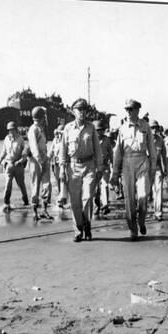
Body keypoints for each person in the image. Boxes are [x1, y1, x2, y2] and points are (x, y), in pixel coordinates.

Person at [110, 99, 157, 241]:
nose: (128, 112)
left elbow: (152, 149)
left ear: (137, 110)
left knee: (143, 196)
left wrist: (153, 169)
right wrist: (115, 172)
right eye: (127, 110)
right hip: (127, 163)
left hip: (142, 161)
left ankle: (141, 221)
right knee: (129, 199)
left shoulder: (145, 126)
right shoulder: (122, 128)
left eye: (131, 109)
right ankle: (133, 229)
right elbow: (117, 151)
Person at [59, 98, 103, 242]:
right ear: (74, 111)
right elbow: (63, 150)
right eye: (79, 109)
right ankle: (78, 230)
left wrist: (100, 167)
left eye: (84, 109)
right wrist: (61, 169)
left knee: (87, 198)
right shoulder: (67, 128)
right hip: (73, 168)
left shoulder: (91, 128)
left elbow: (97, 149)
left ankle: (87, 225)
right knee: (75, 202)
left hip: (89, 166)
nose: (82, 112)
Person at [0, 121, 29, 212]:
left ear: (16, 129)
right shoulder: (7, 139)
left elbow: (25, 154)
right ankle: (6, 203)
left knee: (21, 185)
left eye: (12, 130)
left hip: (18, 166)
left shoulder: (21, 140)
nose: (10, 132)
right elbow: (4, 151)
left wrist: (20, 161)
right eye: (9, 130)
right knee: (8, 184)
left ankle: (26, 202)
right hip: (9, 165)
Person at [27, 106, 52, 220]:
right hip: (36, 161)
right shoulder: (34, 129)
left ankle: (45, 210)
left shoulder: (40, 128)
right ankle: (35, 212)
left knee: (47, 185)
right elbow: (33, 147)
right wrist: (40, 160)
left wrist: (45, 158)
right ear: (41, 117)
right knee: (35, 186)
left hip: (43, 158)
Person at [93, 120, 113, 216]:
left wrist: (112, 163)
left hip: (105, 165)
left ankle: (105, 205)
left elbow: (110, 153)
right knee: (96, 188)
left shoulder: (107, 140)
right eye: (98, 130)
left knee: (105, 185)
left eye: (101, 130)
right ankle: (97, 206)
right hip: (95, 166)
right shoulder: (91, 140)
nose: (100, 132)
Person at [150, 120, 167, 220]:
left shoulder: (161, 140)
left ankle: (158, 212)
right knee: (147, 192)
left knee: (158, 190)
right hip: (146, 169)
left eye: (155, 128)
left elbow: (163, 157)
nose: (154, 130)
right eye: (152, 128)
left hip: (157, 169)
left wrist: (165, 169)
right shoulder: (145, 139)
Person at [48, 126, 68, 208]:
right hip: (55, 164)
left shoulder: (66, 141)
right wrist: (47, 159)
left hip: (64, 164)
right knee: (58, 181)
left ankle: (63, 199)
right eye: (57, 133)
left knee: (63, 181)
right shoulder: (55, 141)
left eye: (60, 133)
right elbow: (51, 151)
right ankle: (62, 197)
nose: (58, 134)